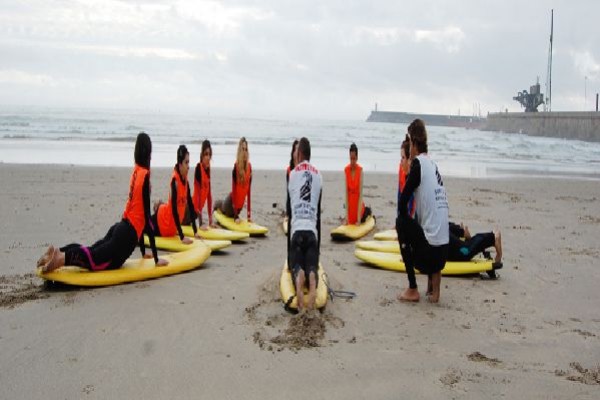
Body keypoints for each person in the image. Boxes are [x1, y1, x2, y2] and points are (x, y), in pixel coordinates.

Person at [37, 132, 168, 272]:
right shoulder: (145, 176)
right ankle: (61, 258)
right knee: (95, 261)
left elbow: (140, 215)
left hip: (121, 227)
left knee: (93, 251)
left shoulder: (136, 172)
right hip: (126, 236)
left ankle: (57, 253)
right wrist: (156, 258)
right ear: (149, 153)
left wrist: (143, 253)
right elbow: (146, 220)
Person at [396, 119, 449, 303]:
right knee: (427, 218)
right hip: (443, 253)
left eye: (409, 143)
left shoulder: (418, 164)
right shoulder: (433, 165)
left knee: (400, 221)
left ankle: (412, 288)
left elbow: (402, 203)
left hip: (429, 255)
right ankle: (434, 287)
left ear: (414, 143)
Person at [287, 137, 323, 312]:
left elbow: (290, 211)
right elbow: (318, 217)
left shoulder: (292, 174)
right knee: (311, 265)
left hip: (296, 232)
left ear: (299, 153)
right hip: (311, 232)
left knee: (296, 263)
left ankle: (298, 273)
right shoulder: (319, 176)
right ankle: (311, 276)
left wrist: (289, 258)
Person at [151, 145, 198, 243]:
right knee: (142, 228)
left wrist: (195, 232)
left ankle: (157, 206)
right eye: (186, 162)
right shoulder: (175, 182)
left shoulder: (186, 181)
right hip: (162, 224)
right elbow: (174, 210)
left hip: (171, 228)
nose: (188, 166)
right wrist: (182, 237)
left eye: (189, 162)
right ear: (180, 164)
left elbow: (190, 204)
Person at [214, 137, 252, 223]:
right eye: (242, 149)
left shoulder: (250, 167)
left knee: (225, 206)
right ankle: (216, 204)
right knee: (222, 207)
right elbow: (234, 191)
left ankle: (223, 205)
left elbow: (248, 193)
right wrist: (235, 216)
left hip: (239, 207)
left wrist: (249, 216)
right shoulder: (236, 168)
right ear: (239, 151)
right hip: (230, 204)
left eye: (246, 149)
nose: (245, 152)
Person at [344, 143, 372, 225]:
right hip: (350, 206)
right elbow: (346, 194)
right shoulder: (346, 170)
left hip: (358, 207)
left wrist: (359, 219)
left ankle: (367, 211)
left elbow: (360, 195)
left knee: (365, 214)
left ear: (357, 158)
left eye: (354, 159)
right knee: (350, 220)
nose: (352, 161)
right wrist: (346, 217)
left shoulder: (360, 171)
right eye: (351, 158)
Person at [190, 140, 216, 230]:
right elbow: (197, 195)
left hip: (195, 214)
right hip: (189, 210)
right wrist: (200, 223)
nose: (208, 157)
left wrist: (210, 221)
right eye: (206, 154)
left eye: (209, 155)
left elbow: (209, 196)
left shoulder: (208, 170)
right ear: (202, 155)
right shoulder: (198, 168)